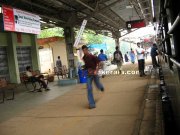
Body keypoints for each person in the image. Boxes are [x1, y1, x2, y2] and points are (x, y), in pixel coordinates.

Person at [82, 45, 104, 109]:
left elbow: (100, 63)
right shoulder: (84, 58)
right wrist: (84, 70)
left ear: (87, 50)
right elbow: (87, 65)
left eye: (85, 50)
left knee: (97, 84)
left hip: (95, 73)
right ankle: (91, 104)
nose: (84, 52)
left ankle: (101, 87)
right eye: (83, 50)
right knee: (89, 88)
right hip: (89, 75)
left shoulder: (92, 56)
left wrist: (96, 70)